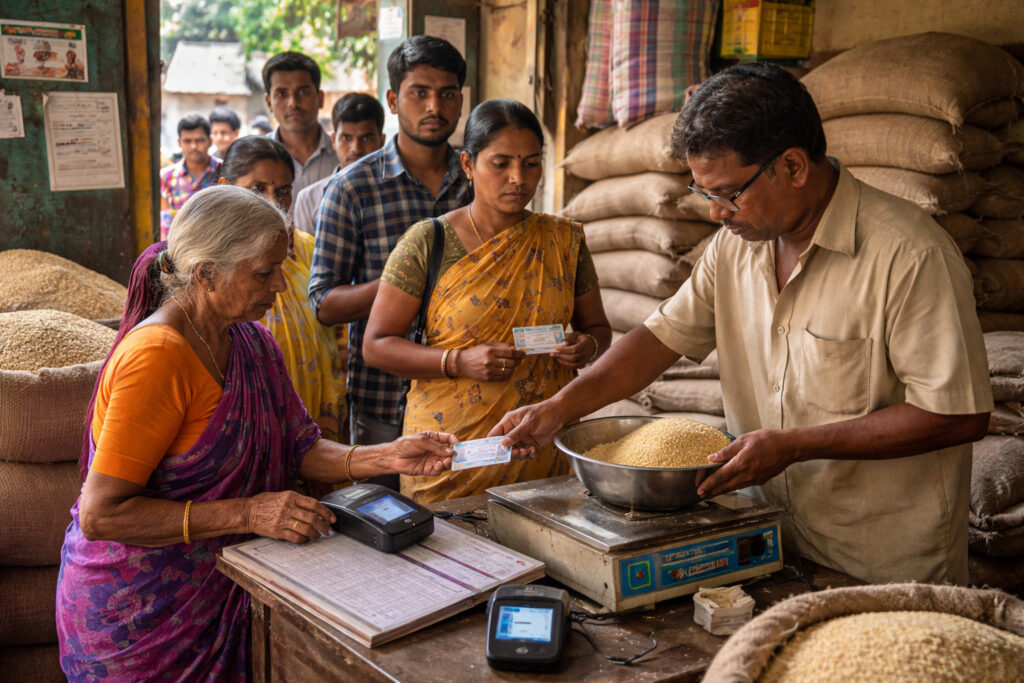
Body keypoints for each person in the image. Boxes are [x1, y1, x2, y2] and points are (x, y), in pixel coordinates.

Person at [491, 62, 993, 585]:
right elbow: (657, 340)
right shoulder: (735, 248)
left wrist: (796, 444)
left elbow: (959, 415)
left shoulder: (909, 255)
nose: (716, 213)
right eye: (705, 193)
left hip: (877, 561)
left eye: (728, 193)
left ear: (794, 167)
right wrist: (558, 409)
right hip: (765, 537)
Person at [56, 185, 456, 680]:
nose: (281, 288)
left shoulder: (251, 341)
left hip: (226, 585)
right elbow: (102, 515)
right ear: (207, 274)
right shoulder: (157, 357)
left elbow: (300, 447)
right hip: (140, 614)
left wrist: (388, 457)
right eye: (265, 273)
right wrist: (249, 511)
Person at [363, 99, 610, 503]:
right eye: (501, 164)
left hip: (540, 446)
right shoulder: (428, 242)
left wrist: (587, 346)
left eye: (531, 163)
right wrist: (458, 361)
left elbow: (597, 328)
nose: (518, 178)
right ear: (467, 165)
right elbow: (376, 345)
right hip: (451, 453)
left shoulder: (564, 241)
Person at [309, 36, 469, 479]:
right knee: (386, 527)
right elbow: (323, 303)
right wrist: (405, 284)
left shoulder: (478, 181)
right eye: (420, 92)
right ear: (395, 101)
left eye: (448, 93)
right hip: (385, 402)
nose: (434, 106)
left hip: (471, 395)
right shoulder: (352, 188)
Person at [216, 136, 346, 443]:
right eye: (258, 190)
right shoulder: (214, 264)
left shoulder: (312, 251)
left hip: (317, 413)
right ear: (225, 186)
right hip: (247, 422)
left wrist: (329, 417)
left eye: (283, 191)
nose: (273, 203)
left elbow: (339, 337)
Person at [292, 92, 386, 236]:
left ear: (382, 141)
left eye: (366, 138)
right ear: (334, 140)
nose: (356, 148)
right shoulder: (309, 199)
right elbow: (307, 256)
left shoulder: (395, 192)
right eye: (346, 138)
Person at [262, 52, 338, 197]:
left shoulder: (343, 155)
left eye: (303, 91)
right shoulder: (256, 159)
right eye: (282, 94)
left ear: (320, 98)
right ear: (269, 103)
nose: (293, 103)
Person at [159, 113, 220, 239]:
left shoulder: (224, 169)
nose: (194, 146)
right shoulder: (167, 176)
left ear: (210, 141)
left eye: (199, 140)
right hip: (181, 245)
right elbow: (165, 220)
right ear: (179, 143)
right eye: (188, 141)